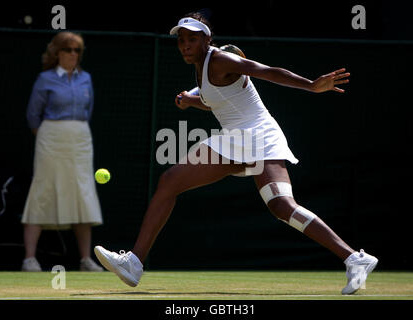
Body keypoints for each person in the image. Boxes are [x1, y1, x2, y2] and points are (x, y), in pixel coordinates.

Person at [94, 13, 378, 294]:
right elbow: (218, 102)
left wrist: (312, 85)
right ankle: (134, 263)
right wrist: (193, 100)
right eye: (181, 40)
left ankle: (355, 258)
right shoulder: (201, 67)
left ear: (207, 39)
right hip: (235, 140)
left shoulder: (221, 60)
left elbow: (264, 70)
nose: (185, 45)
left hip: (259, 136)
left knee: (280, 206)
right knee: (172, 181)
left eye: (192, 39)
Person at [22, 32, 103, 272]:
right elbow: (32, 116)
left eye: (77, 50)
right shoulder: (44, 79)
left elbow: (87, 111)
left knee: (82, 191)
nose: (73, 54)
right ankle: (29, 259)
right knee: (43, 190)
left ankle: (86, 260)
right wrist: (51, 135)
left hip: (80, 140)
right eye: (68, 50)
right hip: (50, 139)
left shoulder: (86, 78)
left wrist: (72, 132)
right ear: (57, 52)